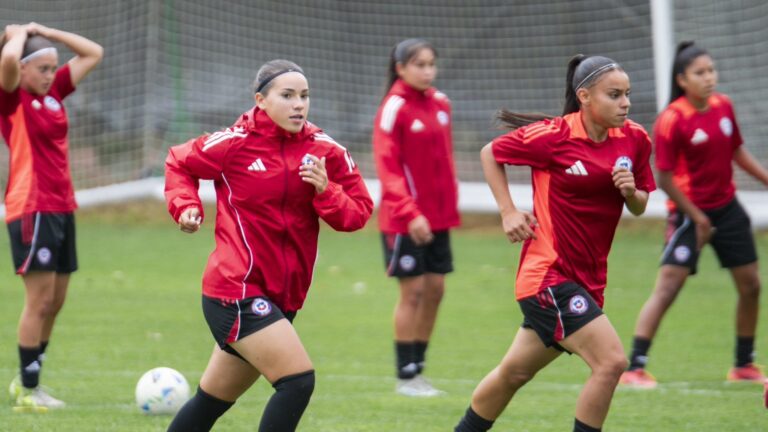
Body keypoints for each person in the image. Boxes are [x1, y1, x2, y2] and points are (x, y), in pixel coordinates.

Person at [164, 59, 372, 432]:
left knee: (210, 402)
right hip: (235, 289)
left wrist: (327, 190)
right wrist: (186, 206)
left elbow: (357, 214)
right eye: (287, 95)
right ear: (261, 100)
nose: (299, 104)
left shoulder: (326, 151)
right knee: (297, 382)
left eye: (304, 96)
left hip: (283, 296)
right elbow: (178, 162)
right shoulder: (233, 144)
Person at [454, 55, 655, 432]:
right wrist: (508, 211)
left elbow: (641, 204)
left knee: (513, 373)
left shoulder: (635, 138)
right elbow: (490, 153)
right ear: (585, 96)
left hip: (588, 281)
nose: (625, 103)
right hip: (547, 276)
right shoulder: (554, 136)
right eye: (614, 95)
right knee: (610, 362)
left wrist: (631, 193)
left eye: (627, 94)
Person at [619, 41, 768, 389]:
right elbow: (665, 179)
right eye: (700, 73)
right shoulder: (672, 119)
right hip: (688, 214)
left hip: (728, 209)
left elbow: (736, 151)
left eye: (711, 70)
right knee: (668, 287)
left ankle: (743, 365)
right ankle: (634, 367)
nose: (709, 78)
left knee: (752, 285)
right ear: (682, 79)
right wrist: (698, 217)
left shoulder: (723, 106)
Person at [0, 22, 102, 412]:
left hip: (62, 207)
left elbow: (93, 52)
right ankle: (28, 389)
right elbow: (9, 57)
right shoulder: (11, 98)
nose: (49, 76)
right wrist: (17, 35)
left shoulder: (55, 92)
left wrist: (49, 33)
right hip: (32, 207)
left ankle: (27, 380)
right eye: (41, 69)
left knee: (55, 301)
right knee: (38, 300)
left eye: (52, 68)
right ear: (23, 70)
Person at [372, 38, 460, 397]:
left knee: (436, 289)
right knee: (413, 292)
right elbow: (388, 167)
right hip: (403, 219)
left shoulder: (441, 104)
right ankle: (406, 374)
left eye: (431, 64)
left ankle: (419, 368)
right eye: (419, 64)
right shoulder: (393, 108)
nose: (427, 71)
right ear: (400, 68)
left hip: (439, 218)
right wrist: (410, 213)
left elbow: (444, 163)